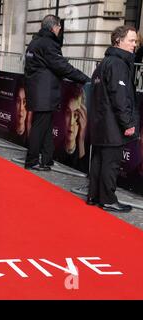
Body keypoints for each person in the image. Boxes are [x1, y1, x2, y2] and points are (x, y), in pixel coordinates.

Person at [24, 15, 90, 171]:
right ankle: (32, 160)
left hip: (38, 91)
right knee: (40, 127)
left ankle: (47, 159)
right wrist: (85, 78)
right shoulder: (49, 44)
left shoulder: (34, 42)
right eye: (59, 27)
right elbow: (62, 66)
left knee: (46, 127)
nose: (60, 30)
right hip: (44, 93)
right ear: (54, 27)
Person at [87, 25, 139, 213]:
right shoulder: (117, 64)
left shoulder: (105, 62)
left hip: (101, 122)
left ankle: (94, 196)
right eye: (131, 40)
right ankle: (108, 199)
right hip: (112, 125)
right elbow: (120, 96)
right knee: (111, 163)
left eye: (136, 41)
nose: (135, 44)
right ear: (118, 40)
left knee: (99, 160)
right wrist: (128, 123)